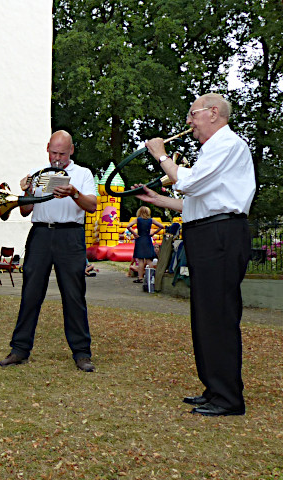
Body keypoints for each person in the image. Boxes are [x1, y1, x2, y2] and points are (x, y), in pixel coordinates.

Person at [136, 93, 255, 416]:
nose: (189, 121)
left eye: (193, 114)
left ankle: (229, 398)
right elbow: (196, 204)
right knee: (205, 315)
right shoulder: (212, 151)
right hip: (207, 232)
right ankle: (214, 388)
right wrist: (158, 201)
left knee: (218, 314)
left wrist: (161, 156)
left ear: (213, 113)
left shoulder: (228, 145)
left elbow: (189, 183)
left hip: (221, 236)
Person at [0, 130, 98, 372]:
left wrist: (74, 193)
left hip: (70, 236)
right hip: (41, 234)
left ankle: (82, 353)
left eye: (63, 154)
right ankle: (19, 350)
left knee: (73, 295)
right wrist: (27, 191)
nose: (57, 158)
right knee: (30, 293)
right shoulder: (37, 174)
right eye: (54, 152)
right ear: (47, 149)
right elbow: (24, 211)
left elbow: (92, 206)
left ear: (71, 151)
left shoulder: (82, 174)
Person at [125, 206, 164, 283]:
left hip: (140, 239)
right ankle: (151, 277)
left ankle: (140, 278)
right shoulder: (151, 220)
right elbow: (161, 226)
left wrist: (134, 233)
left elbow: (128, 226)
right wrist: (154, 233)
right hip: (148, 239)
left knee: (140, 260)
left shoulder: (138, 220)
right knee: (149, 259)